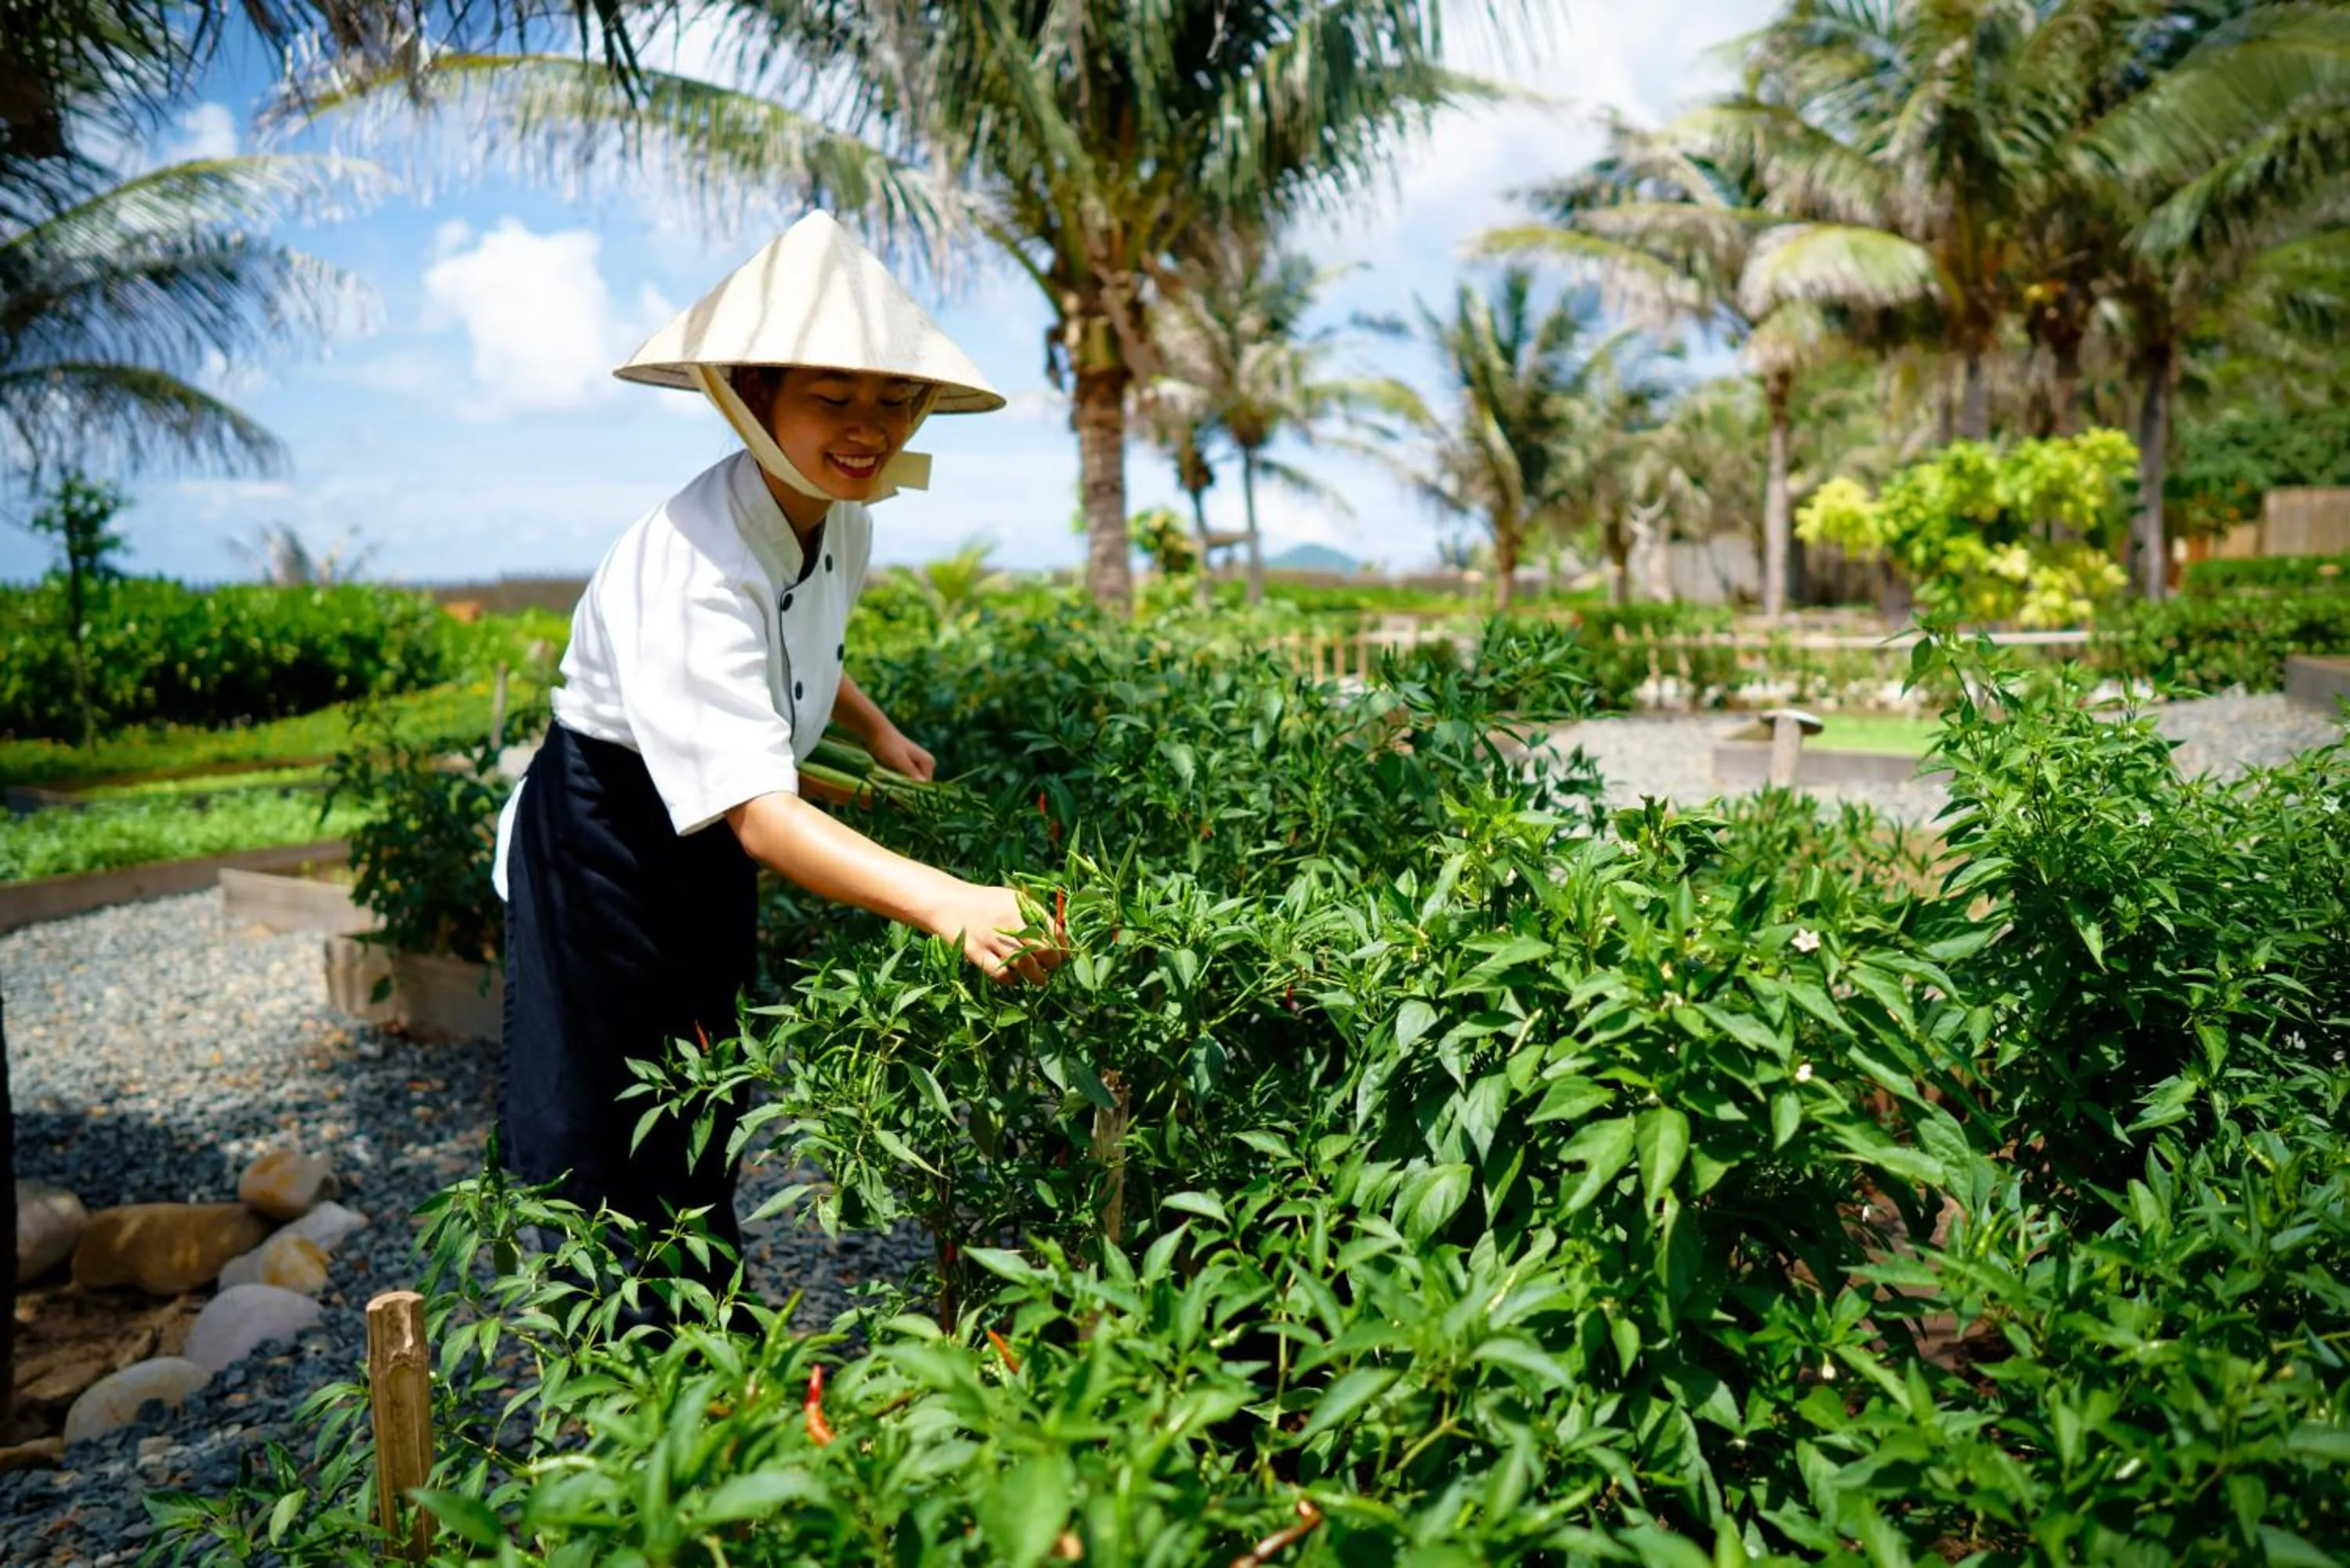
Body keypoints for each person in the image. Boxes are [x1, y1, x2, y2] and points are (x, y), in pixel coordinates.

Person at [490, 211, 1061, 1313]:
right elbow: (760, 811)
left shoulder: (843, 513)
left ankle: (710, 1325)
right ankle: (618, 1372)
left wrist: (876, 726)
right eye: (832, 400)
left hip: (699, 848)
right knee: (594, 1126)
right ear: (754, 398)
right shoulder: (696, 561)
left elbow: (802, 636)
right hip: (605, 842)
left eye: (894, 400)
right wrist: (951, 902)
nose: (870, 429)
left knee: (701, 1082)